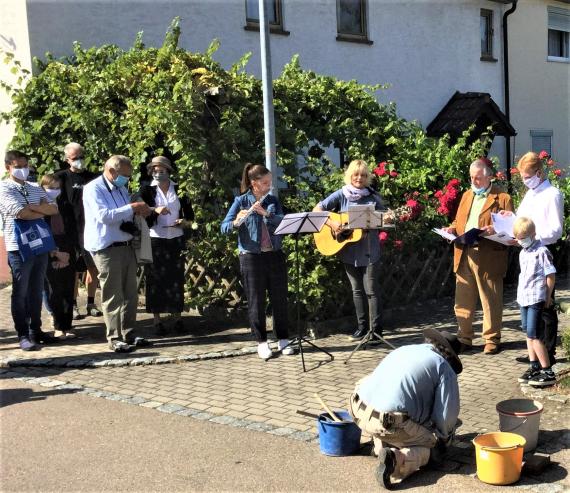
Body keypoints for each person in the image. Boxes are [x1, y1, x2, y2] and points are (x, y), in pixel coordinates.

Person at [348, 329, 462, 489]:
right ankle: (396, 460)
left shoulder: (404, 349)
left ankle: (380, 447)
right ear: (450, 356)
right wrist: (443, 440)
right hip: (389, 423)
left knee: (390, 410)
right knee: (433, 447)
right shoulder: (443, 366)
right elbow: (445, 417)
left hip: (358, 409)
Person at [221, 163, 293, 360]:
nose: (270, 185)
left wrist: (267, 214)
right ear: (254, 184)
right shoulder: (241, 201)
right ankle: (261, 342)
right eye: (265, 182)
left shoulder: (273, 201)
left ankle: (283, 339)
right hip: (251, 257)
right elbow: (224, 226)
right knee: (256, 301)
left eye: (270, 181)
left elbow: (284, 221)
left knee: (280, 298)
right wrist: (237, 221)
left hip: (274, 254)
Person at [443, 159, 514, 355]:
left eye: (478, 177)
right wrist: (451, 228)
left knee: (490, 299)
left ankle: (492, 339)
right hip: (464, 251)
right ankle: (464, 337)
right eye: (472, 177)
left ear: (489, 176)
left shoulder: (502, 197)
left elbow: (511, 227)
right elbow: (459, 221)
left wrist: (495, 228)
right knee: (463, 299)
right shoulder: (467, 195)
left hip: (489, 254)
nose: (474, 181)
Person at [82, 155, 152, 353]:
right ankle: (114, 337)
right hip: (106, 247)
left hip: (126, 244)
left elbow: (126, 213)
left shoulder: (120, 187)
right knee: (113, 294)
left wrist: (140, 210)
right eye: (124, 176)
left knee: (130, 292)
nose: (127, 180)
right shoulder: (93, 188)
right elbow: (104, 216)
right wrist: (131, 208)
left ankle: (129, 333)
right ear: (112, 171)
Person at [501, 151, 564, 364]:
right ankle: (535, 352)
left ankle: (548, 352)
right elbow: (521, 219)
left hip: (543, 250)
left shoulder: (552, 194)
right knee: (529, 301)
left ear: (539, 172)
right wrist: (509, 220)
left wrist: (533, 237)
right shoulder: (531, 193)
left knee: (545, 303)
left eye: (527, 176)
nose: (525, 181)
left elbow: (556, 230)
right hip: (527, 250)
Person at [313, 159, 385, 341]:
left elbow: (386, 217)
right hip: (349, 250)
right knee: (357, 290)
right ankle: (361, 327)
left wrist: (389, 217)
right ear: (350, 176)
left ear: (367, 177)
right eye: (356, 174)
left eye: (363, 175)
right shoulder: (341, 195)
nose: (359, 178)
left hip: (369, 250)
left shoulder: (373, 197)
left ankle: (376, 330)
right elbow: (317, 209)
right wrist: (332, 223)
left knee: (371, 290)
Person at [0, 150, 60, 350]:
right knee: (21, 292)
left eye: (25, 166)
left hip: (40, 245)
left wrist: (34, 208)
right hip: (19, 248)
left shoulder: (34, 187)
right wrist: (38, 209)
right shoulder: (4, 188)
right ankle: (23, 334)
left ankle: (36, 330)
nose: (23, 170)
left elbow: (53, 209)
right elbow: (21, 213)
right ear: (8, 167)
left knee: (36, 291)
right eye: (18, 166)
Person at [135, 156, 194, 334]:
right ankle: (157, 320)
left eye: (161, 170)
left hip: (176, 236)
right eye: (154, 170)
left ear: (168, 171)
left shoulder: (179, 189)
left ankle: (177, 317)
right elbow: (140, 212)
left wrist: (184, 221)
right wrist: (155, 211)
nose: (158, 173)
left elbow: (190, 216)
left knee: (176, 277)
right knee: (156, 278)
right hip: (156, 237)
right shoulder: (147, 190)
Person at [55, 142, 102, 320]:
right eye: (75, 158)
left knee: (92, 267)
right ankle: (73, 305)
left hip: (91, 230)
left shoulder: (94, 178)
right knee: (73, 270)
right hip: (70, 232)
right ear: (67, 160)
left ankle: (91, 303)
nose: (79, 161)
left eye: (82, 156)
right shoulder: (61, 178)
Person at [513, 217, 557, 387]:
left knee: (535, 335)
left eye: (523, 237)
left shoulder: (542, 251)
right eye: (518, 238)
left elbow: (550, 275)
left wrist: (548, 296)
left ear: (533, 234)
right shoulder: (523, 252)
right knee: (527, 333)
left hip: (536, 298)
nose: (521, 241)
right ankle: (534, 366)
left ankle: (547, 370)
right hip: (524, 297)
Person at [40, 174, 76, 339]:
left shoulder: (65, 205)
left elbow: (72, 228)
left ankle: (67, 325)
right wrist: (55, 253)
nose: (55, 191)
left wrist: (68, 253)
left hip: (67, 250)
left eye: (57, 188)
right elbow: (40, 232)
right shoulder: (40, 208)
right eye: (51, 188)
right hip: (50, 250)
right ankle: (58, 326)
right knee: (54, 290)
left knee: (68, 289)